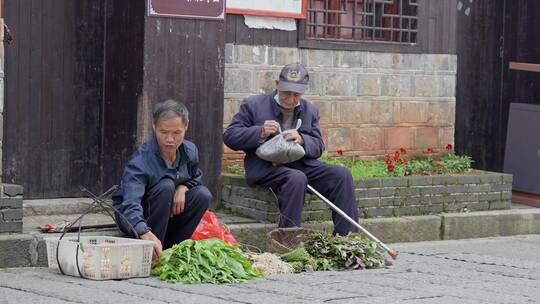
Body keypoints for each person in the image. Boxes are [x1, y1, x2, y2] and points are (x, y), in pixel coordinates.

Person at [223, 63, 359, 236]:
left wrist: (303, 140)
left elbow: (318, 146)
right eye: (287, 92)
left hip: (300, 165)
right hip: (266, 168)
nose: (291, 98)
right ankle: (287, 240)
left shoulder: (310, 110)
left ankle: (347, 238)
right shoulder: (253, 104)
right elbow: (230, 137)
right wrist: (260, 131)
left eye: (297, 94)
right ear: (277, 84)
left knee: (341, 174)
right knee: (296, 178)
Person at [113, 99, 212, 261]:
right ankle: (151, 252)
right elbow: (130, 202)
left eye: (176, 133)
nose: (170, 139)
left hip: (168, 215)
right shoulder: (141, 161)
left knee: (203, 195)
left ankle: (173, 248)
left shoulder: (189, 151)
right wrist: (142, 231)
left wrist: (183, 187)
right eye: (164, 132)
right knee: (166, 186)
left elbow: (196, 176)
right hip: (136, 218)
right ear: (154, 126)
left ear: (186, 127)